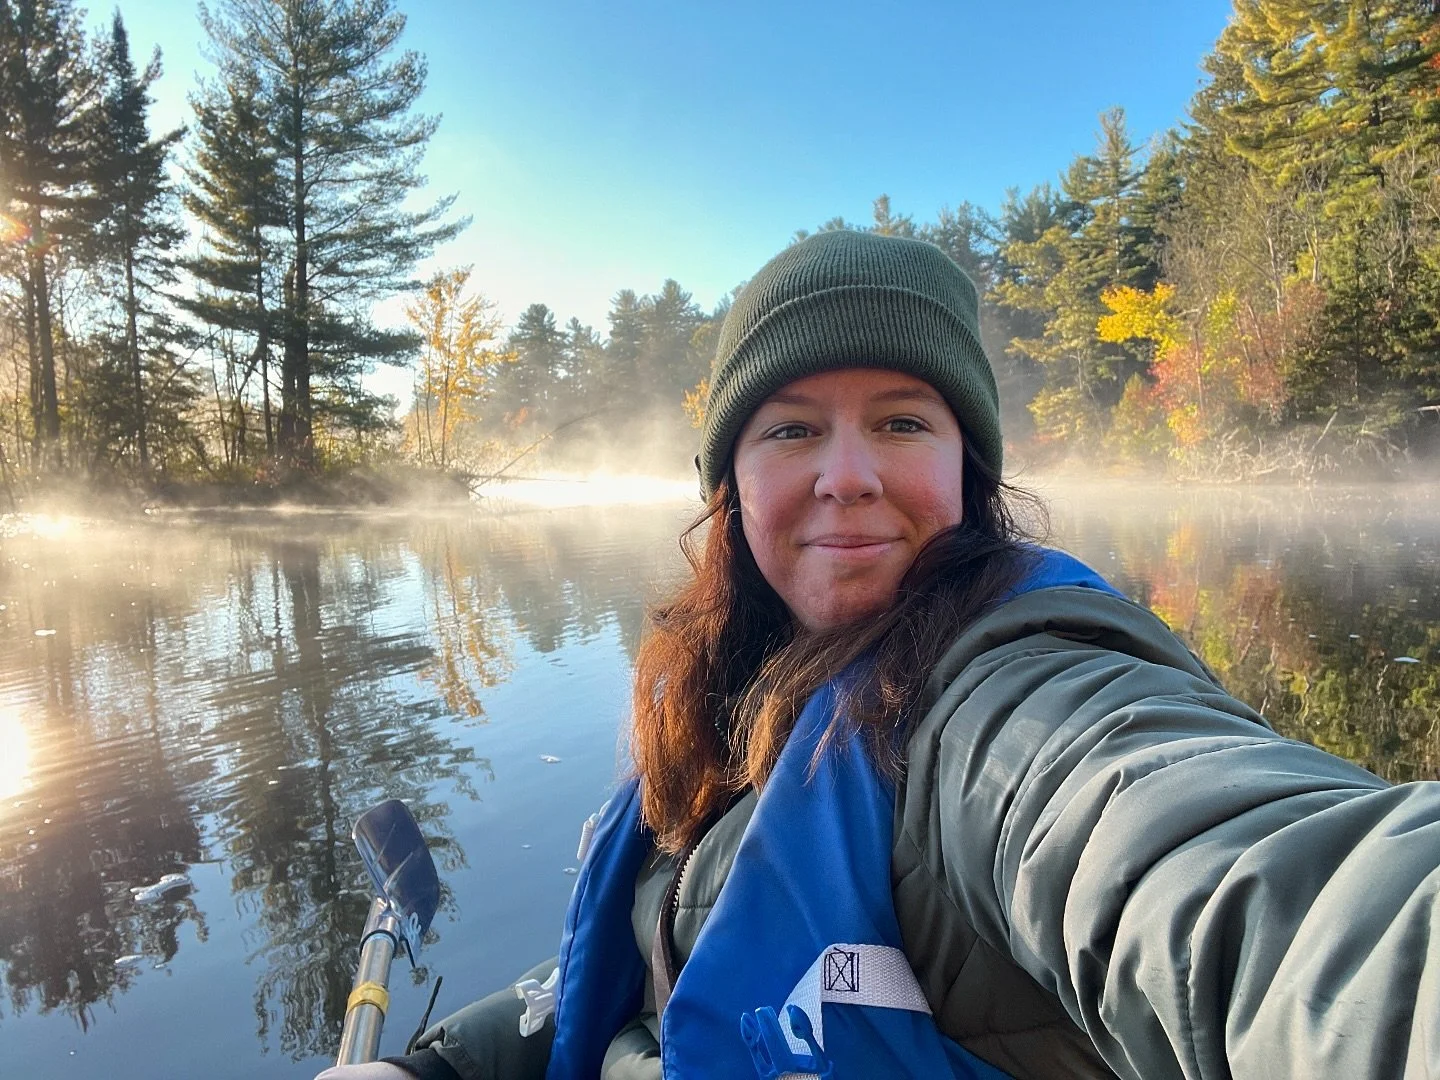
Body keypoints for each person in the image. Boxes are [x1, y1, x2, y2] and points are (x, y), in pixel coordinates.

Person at [319, 231, 1440, 1080]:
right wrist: (432, 1069)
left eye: (902, 422)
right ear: (731, 484)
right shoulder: (739, 692)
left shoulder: (1017, 691)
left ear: (967, 469)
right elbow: (655, 948)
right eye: (792, 428)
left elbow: (1243, 884)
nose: (847, 475)